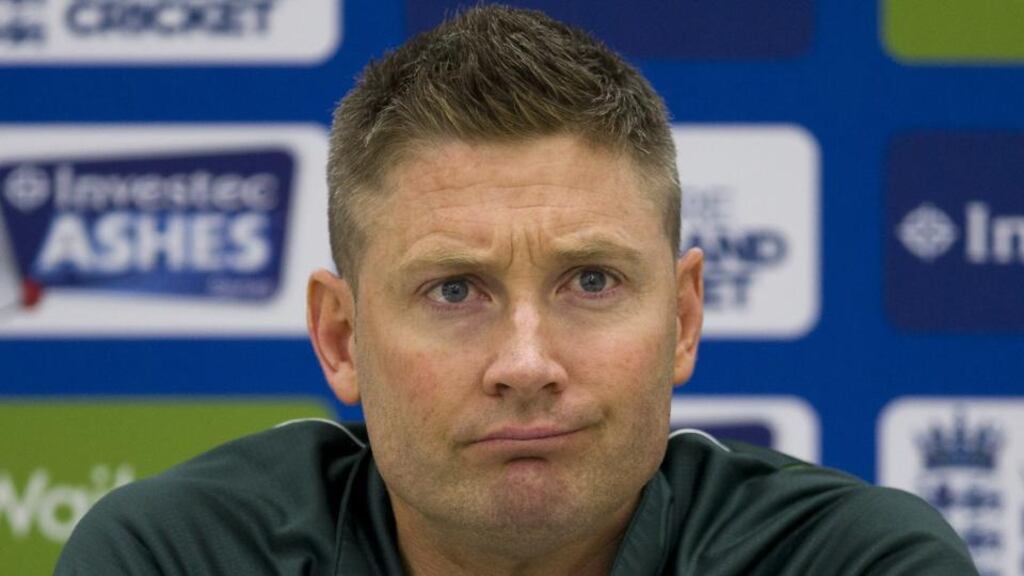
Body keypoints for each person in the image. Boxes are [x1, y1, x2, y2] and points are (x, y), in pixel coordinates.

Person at [56, 5, 977, 575]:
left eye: (591, 280)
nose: (527, 363)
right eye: (455, 290)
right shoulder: (178, 560)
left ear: (686, 318)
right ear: (341, 338)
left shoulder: (850, 564)